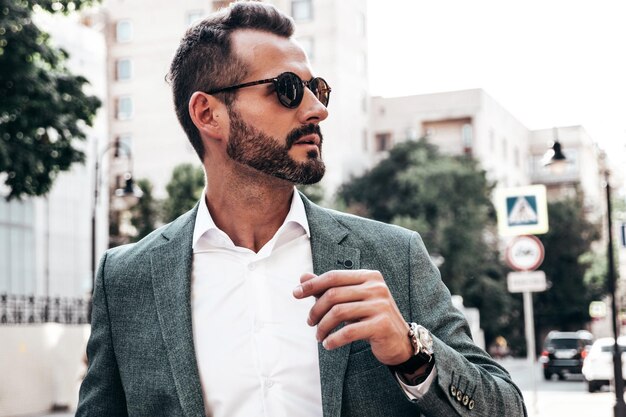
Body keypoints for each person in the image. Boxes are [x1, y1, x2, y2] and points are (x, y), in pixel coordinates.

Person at [76, 2, 527, 416]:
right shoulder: (126, 279)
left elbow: (507, 408)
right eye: (288, 90)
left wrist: (412, 352)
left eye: (319, 89)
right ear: (208, 113)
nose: (317, 110)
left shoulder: (395, 256)